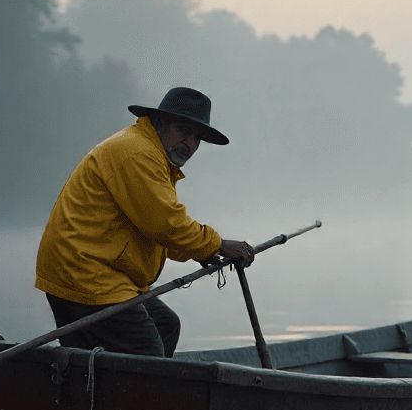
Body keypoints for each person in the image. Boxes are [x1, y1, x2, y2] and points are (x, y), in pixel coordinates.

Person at [35, 87, 254, 357]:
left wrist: (201, 251)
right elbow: (165, 224)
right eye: (184, 131)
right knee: (147, 351)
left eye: (197, 138)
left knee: (166, 325)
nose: (190, 144)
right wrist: (218, 244)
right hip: (83, 273)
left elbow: (154, 229)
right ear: (160, 122)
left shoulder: (153, 154)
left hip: (101, 274)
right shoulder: (139, 154)